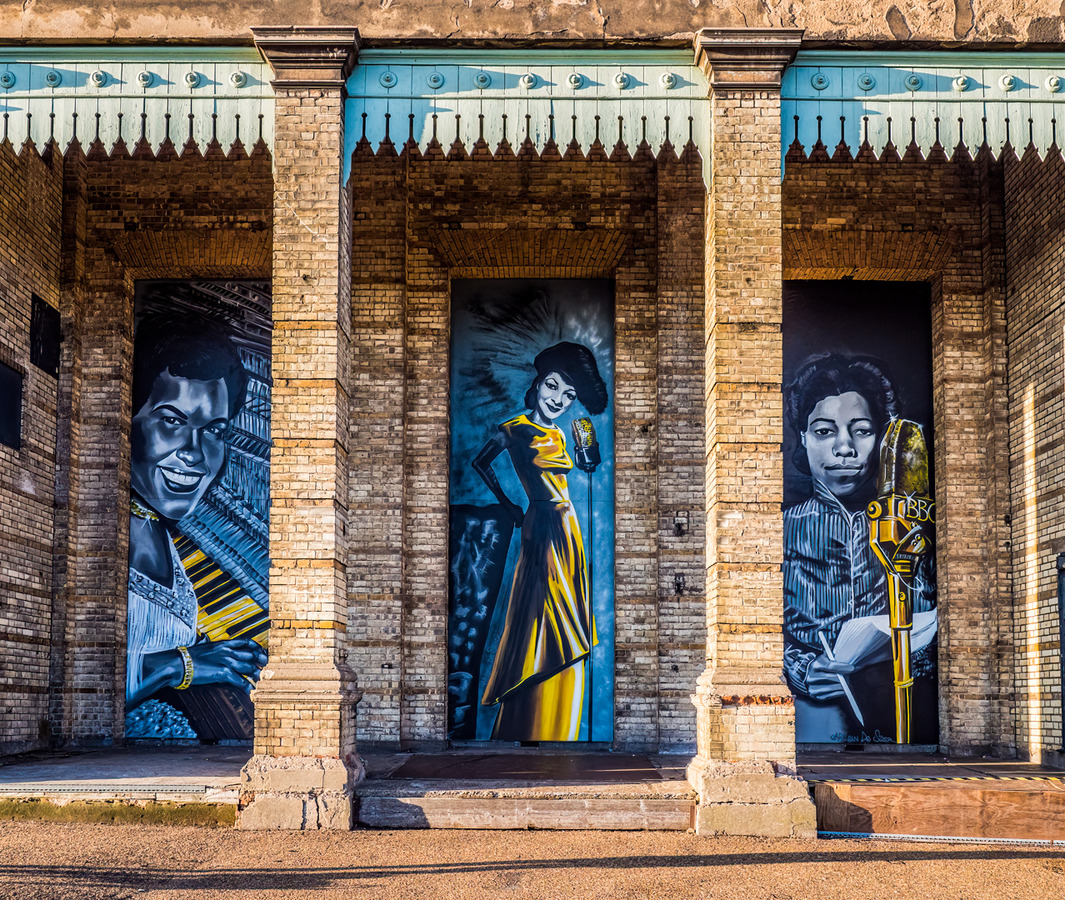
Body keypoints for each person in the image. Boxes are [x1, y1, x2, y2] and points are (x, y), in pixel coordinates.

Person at [782, 353, 934, 741]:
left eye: (862, 431)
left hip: (903, 715)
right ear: (802, 436)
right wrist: (800, 668)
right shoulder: (780, 528)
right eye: (824, 431)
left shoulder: (914, 525)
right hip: (810, 715)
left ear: (882, 437)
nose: (844, 448)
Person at [126, 314, 267, 723]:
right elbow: (71, 693)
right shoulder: (89, 536)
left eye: (215, 431)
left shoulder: (157, 531)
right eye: (172, 421)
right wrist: (182, 664)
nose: (195, 453)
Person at [473, 341, 608, 742]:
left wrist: (589, 458)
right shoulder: (514, 428)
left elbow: (576, 472)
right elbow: (481, 462)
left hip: (570, 530)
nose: (559, 400)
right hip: (541, 523)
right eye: (553, 387)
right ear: (537, 383)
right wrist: (508, 503)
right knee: (540, 612)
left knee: (566, 615)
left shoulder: (565, 434)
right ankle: (529, 712)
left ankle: (558, 711)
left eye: (568, 395)